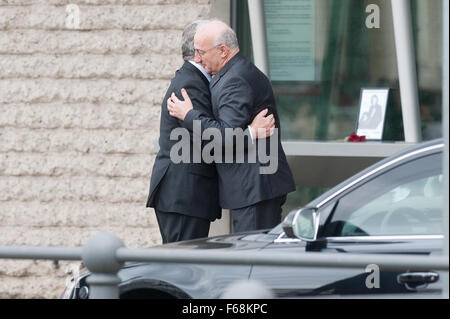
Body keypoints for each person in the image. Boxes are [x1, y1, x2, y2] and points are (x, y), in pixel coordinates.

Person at [146, 21, 275, 243]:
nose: (201, 57)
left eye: (203, 50)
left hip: (186, 195)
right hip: (183, 194)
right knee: (182, 265)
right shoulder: (191, 83)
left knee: (185, 263)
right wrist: (251, 132)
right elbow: (211, 140)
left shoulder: (207, 80)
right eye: (199, 51)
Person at [167, 20, 296, 233]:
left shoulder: (235, 80)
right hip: (253, 188)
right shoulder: (236, 72)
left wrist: (188, 115)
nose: (198, 58)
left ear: (223, 51)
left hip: (254, 188)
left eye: (201, 52)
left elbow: (226, 136)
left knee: (252, 260)